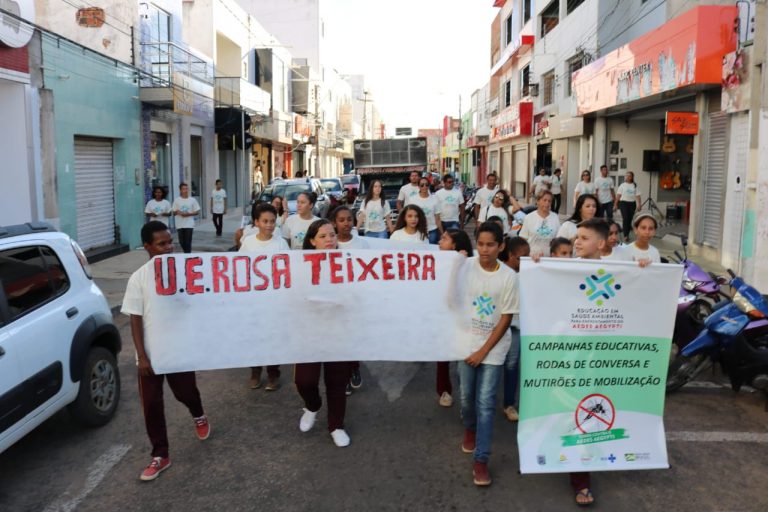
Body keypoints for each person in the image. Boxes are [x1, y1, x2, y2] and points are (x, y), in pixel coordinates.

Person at [121, 221, 210, 482]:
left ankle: (199, 414)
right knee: (151, 404)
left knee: (186, 393)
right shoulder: (138, 278)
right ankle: (161, 455)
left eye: (170, 242)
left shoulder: (185, 272)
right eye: (161, 244)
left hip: (178, 349)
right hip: (150, 354)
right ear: (147, 247)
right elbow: (135, 320)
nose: (168, 248)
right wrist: (142, 356)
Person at [459, 221, 519, 486]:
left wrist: (483, 351)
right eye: (480, 244)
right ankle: (469, 428)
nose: (484, 250)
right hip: (465, 344)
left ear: (501, 246)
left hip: (493, 348)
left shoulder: (508, 277)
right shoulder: (465, 267)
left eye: (490, 245)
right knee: (466, 398)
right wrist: (452, 259)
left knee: (485, 403)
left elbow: (506, 318)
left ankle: (481, 460)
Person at [295, 219, 355, 447]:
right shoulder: (298, 265)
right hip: (309, 331)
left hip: (339, 331)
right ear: (312, 241)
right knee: (304, 380)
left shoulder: (349, 262)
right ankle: (312, 405)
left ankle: (336, 425)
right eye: (323, 236)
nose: (330, 239)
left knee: (337, 381)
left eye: (332, 235)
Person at [239, 203, 290, 390]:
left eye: (272, 221)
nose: (269, 225)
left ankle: (273, 373)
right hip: (253, 300)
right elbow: (239, 267)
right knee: (255, 336)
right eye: (265, 221)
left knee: (272, 336)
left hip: (274, 301)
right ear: (256, 222)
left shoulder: (281, 243)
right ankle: (255, 371)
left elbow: (287, 270)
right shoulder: (248, 243)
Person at [330, 206, 368, 395]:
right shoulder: (329, 243)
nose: (346, 223)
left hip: (355, 300)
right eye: (342, 220)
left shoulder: (361, 244)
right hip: (335, 301)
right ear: (334, 223)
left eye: (349, 219)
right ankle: (343, 377)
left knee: (352, 338)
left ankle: (354, 368)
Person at [435, 229, 474, 407]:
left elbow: (454, 296)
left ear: (455, 245)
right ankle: (444, 390)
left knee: (463, 359)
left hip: (463, 317)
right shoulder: (437, 261)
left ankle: (467, 395)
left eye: (444, 239)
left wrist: (457, 265)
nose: (439, 242)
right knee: (442, 356)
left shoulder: (469, 264)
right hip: (443, 314)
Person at [499, 236, 529, 423]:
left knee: (511, 365)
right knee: (492, 366)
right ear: (510, 255)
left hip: (516, 327)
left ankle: (509, 403)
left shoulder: (527, 272)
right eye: (521, 257)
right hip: (496, 327)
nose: (524, 261)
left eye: (527, 257)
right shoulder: (499, 271)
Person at [519, 189, 561, 257]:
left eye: (549, 201)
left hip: (550, 258)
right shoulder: (529, 217)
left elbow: (559, 239)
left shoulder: (555, 217)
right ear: (538, 201)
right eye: (544, 200)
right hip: (532, 257)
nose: (547, 203)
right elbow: (522, 239)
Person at [408, 177, 442, 244]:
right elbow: (409, 216)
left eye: (426, 185)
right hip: (418, 230)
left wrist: (442, 233)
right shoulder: (412, 199)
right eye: (422, 185)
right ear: (418, 186)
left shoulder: (435, 198)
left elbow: (437, 218)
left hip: (432, 229)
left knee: (432, 251)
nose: (424, 187)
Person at [172, 182, 200, 253]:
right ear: (180, 190)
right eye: (184, 189)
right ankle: (186, 253)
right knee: (181, 242)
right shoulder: (177, 200)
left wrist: (188, 214)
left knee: (188, 242)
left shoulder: (192, 200)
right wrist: (179, 212)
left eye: (187, 189)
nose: (186, 190)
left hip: (189, 224)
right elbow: (174, 212)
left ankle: (188, 255)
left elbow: (197, 211)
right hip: (179, 224)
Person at [615, 171, 641, 243]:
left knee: (629, 219)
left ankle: (627, 234)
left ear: (632, 177)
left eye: (629, 176)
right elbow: (618, 195)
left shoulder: (634, 185)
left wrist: (639, 204)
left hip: (632, 204)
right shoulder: (622, 185)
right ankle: (625, 235)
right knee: (625, 218)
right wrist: (615, 204)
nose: (628, 177)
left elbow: (638, 196)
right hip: (623, 203)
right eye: (626, 176)